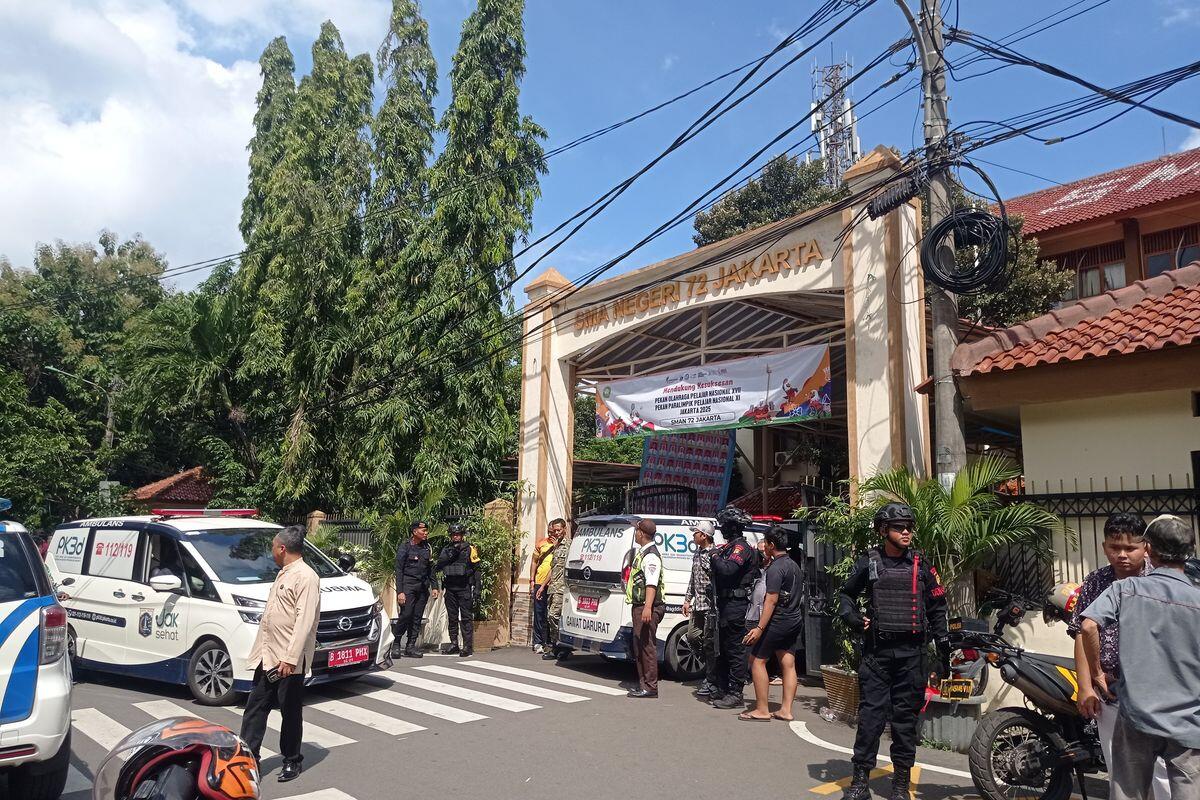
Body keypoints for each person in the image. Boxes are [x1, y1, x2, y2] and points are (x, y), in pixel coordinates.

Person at [1081, 515, 1200, 800]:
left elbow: (1087, 626)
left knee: (1129, 792)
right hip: (1188, 719)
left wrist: (1096, 672)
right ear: (1189, 552)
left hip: (1137, 713)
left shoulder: (1126, 588)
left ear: (1149, 550)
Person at [838, 503, 949, 800]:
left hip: (912, 657)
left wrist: (943, 650)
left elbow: (938, 609)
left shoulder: (921, 565)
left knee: (904, 723)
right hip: (877, 655)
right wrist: (851, 617)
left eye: (909, 527)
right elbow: (846, 595)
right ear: (883, 530)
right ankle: (860, 782)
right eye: (900, 527)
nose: (906, 532)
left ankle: (900, 784)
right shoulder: (869, 562)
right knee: (871, 720)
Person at [1071, 513, 1170, 800]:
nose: (1123, 555)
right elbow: (1081, 631)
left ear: (1146, 548)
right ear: (1104, 547)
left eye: (1131, 548)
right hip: (1109, 693)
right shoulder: (1096, 580)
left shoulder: (1160, 578)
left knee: (1162, 772)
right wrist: (1086, 686)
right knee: (1120, 768)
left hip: (1155, 694)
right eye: (1115, 548)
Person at [240, 525, 320, 783]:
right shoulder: (283, 574)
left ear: (282, 548)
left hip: (288, 661)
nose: (271, 551)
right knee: (255, 707)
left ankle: (292, 760)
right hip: (268, 655)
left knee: (290, 711)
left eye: (273, 546)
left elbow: (304, 620)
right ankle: (248, 759)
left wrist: (290, 658)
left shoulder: (306, 577)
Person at [740, 527, 804, 722]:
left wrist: (759, 628)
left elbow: (771, 600)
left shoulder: (776, 568)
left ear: (772, 545)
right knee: (788, 662)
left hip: (778, 621)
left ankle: (761, 709)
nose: (763, 547)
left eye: (765, 543)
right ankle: (786, 710)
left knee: (756, 661)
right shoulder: (794, 566)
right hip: (794, 619)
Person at [709, 505, 760, 709]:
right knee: (722, 649)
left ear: (732, 527)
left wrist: (714, 556)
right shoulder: (729, 547)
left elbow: (729, 570)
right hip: (724, 604)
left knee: (735, 650)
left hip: (736, 605)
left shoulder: (741, 548)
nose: (721, 529)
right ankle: (723, 688)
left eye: (724, 526)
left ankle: (735, 693)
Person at [626, 518, 665, 698]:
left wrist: (648, 607)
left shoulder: (650, 556)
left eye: (636, 530)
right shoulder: (643, 553)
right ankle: (644, 684)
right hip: (640, 605)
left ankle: (650, 687)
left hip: (647, 606)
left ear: (641, 533)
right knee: (640, 646)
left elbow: (651, 583)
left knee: (647, 646)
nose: (635, 533)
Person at [683, 520, 719, 697]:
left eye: (695, 533)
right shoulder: (697, 553)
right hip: (698, 605)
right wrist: (687, 599)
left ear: (704, 535)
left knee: (709, 643)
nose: (693, 535)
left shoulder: (714, 555)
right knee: (692, 637)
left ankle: (711, 678)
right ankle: (711, 668)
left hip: (710, 607)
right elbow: (693, 577)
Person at [393, 521, 438, 659]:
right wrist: (400, 591)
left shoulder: (427, 548)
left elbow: (431, 569)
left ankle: (410, 646)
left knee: (417, 617)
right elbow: (399, 570)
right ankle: (396, 644)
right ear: (414, 532)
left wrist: (435, 586)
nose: (426, 533)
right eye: (423, 530)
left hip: (422, 587)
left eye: (426, 530)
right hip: (408, 585)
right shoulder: (405, 547)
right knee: (406, 615)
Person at [438, 523, 480, 657]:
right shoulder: (446, 549)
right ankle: (454, 643)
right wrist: (450, 554)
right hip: (450, 588)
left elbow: (476, 570)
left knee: (466, 618)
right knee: (452, 618)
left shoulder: (470, 549)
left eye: (458, 534)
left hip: (464, 587)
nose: (456, 537)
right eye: (453, 534)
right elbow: (439, 566)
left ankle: (467, 646)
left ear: (462, 535)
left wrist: (477, 588)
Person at [543, 517, 570, 660]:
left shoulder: (569, 545)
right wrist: (542, 586)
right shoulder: (556, 546)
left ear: (565, 529)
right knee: (550, 617)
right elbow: (553, 569)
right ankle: (556, 646)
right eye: (554, 530)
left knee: (554, 616)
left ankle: (563, 646)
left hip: (562, 588)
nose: (556, 533)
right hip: (553, 588)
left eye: (559, 530)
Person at [531, 523, 557, 654]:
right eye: (550, 531)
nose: (552, 534)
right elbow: (534, 561)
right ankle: (537, 642)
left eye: (554, 531)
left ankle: (550, 642)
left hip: (554, 585)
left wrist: (556, 544)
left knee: (551, 615)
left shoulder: (562, 545)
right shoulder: (541, 543)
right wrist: (532, 580)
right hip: (539, 582)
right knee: (539, 613)